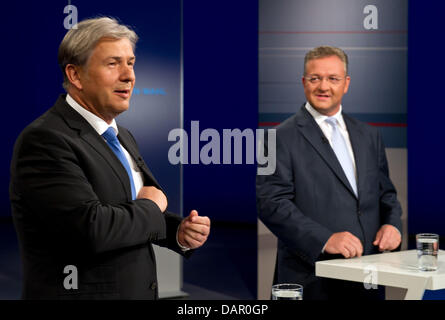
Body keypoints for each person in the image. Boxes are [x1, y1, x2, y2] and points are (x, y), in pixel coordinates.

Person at [9, 17, 210, 300]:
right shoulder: (45, 140)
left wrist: (177, 233)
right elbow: (91, 230)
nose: (129, 75)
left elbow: (127, 212)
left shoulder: (122, 135)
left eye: (131, 63)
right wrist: (153, 207)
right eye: (113, 63)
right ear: (75, 75)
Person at [256, 46, 402, 300]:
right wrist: (325, 239)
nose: (324, 86)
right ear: (304, 82)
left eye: (333, 78)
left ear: (346, 84)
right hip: (312, 278)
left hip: (368, 276)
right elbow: (270, 203)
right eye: (315, 78)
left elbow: (386, 194)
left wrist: (392, 224)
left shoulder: (369, 135)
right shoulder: (278, 137)